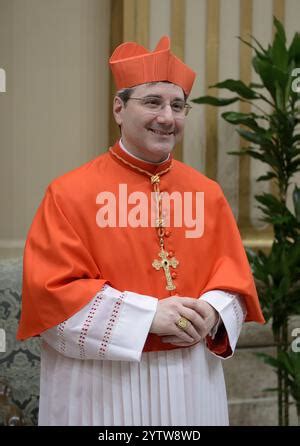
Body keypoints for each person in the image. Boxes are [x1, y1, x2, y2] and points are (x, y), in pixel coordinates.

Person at [17, 35, 264, 426]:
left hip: (191, 382)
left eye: (178, 105)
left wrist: (213, 310)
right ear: (119, 108)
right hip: (102, 389)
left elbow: (233, 281)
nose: (167, 117)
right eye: (152, 102)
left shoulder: (207, 193)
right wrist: (148, 316)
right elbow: (51, 299)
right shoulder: (69, 194)